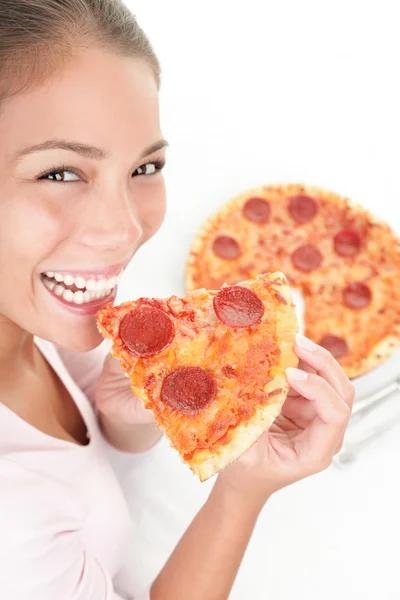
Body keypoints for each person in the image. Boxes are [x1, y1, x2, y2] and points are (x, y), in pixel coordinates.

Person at [0, 1, 354, 599]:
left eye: (146, 166)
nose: (125, 229)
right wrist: (243, 489)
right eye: (59, 173)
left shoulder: (39, 307)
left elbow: (114, 422)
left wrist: (128, 407)